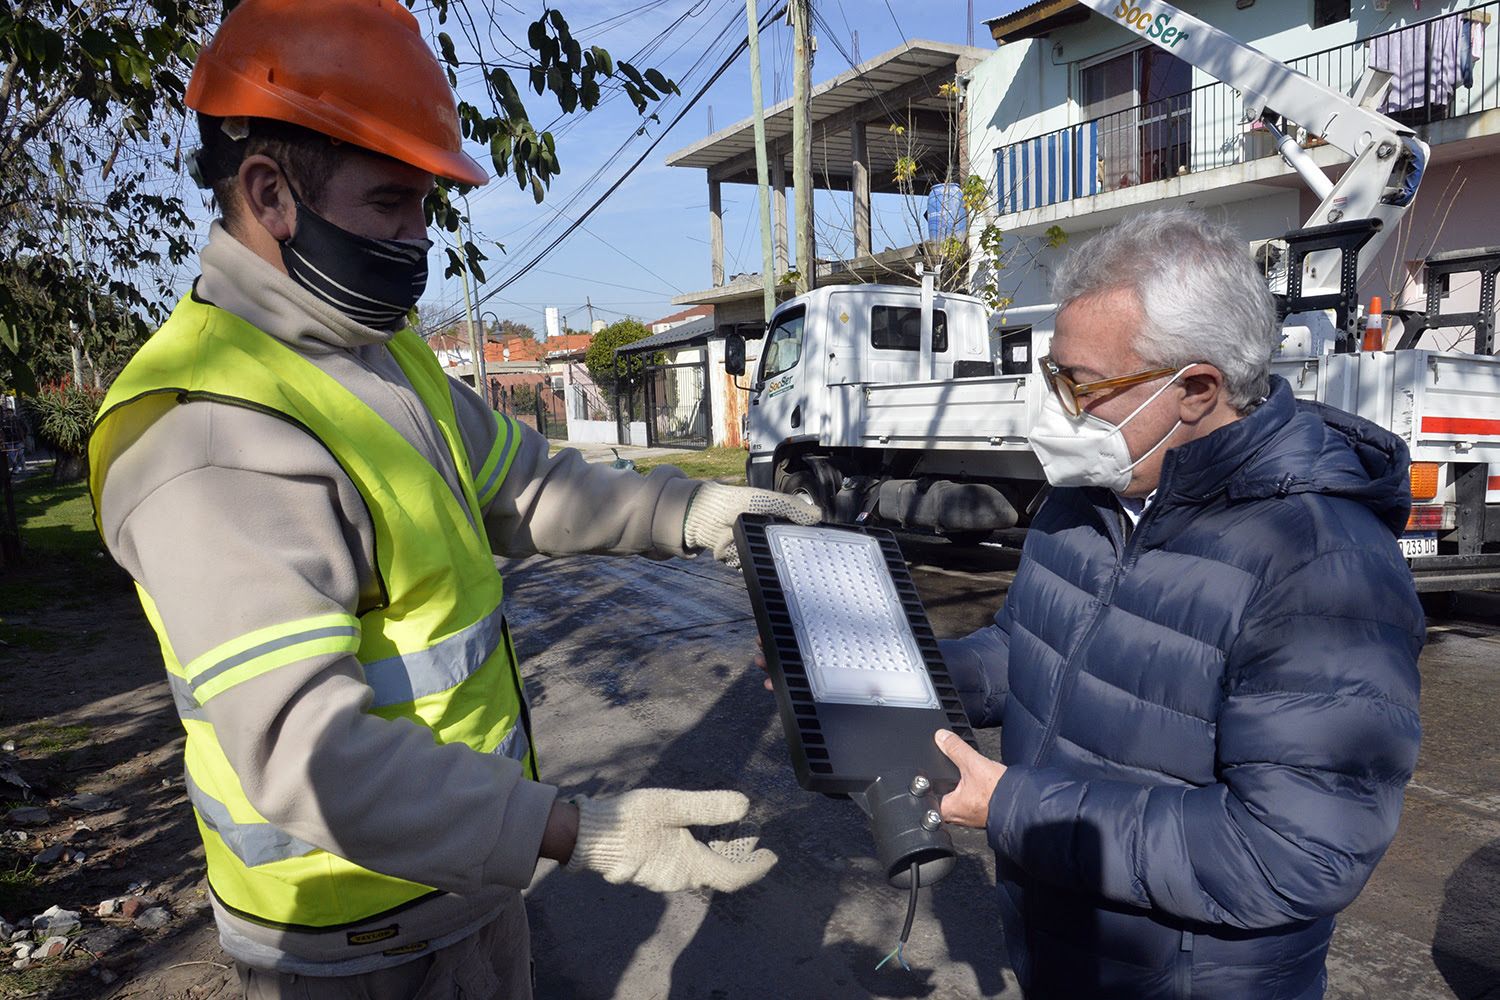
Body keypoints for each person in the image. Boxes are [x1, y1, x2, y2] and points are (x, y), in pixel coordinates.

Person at [87, 1, 817, 996]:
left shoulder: (377, 352)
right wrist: (576, 828)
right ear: (271, 192)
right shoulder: (205, 434)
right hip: (353, 947)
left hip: (470, 894)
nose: (419, 237)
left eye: (427, 204)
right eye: (392, 202)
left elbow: (528, 482)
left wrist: (692, 513)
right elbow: (309, 753)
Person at [931, 209, 1424, 999]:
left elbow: (1292, 853)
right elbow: (1025, 651)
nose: (1052, 407)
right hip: (1060, 946)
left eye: (1078, 385)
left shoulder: (1319, 566)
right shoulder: (1089, 499)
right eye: (1052, 375)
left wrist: (1013, 806)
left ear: (1195, 390)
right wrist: (881, 677)